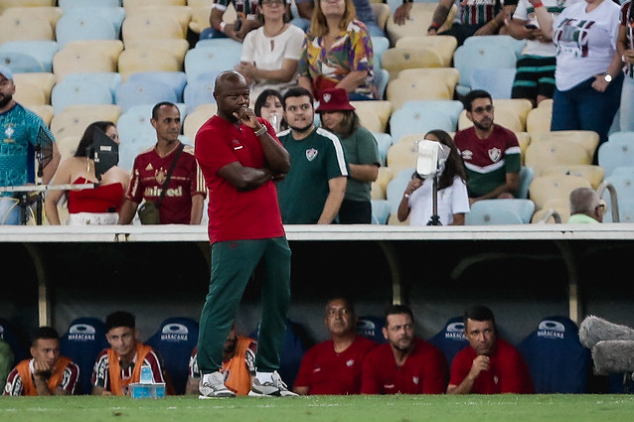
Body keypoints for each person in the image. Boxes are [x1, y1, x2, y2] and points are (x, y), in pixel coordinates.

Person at [194, 70, 295, 398]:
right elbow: (241, 178)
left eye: (244, 95)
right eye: (233, 96)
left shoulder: (260, 126)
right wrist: (270, 172)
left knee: (278, 301)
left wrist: (261, 134)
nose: (241, 101)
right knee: (223, 302)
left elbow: (286, 163)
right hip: (234, 230)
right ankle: (209, 376)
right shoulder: (208, 134)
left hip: (272, 229)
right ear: (217, 97)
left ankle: (266, 375)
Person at [530, 0, 623, 152]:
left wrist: (608, 77)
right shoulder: (573, 9)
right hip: (563, 87)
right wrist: (538, 5)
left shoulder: (614, 12)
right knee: (561, 143)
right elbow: (550, 32)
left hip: (594, 87)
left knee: (592, 144)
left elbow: (621, 47)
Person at [118, 102, 206, 225]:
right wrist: (118, 232)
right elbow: (132, 200)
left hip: (181, 235)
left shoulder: (193, 157)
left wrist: (191, 234)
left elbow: (198, 199)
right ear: (154, 123)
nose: (174, 126)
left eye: (177, 121)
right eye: (167, 121)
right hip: (151, 236)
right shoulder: (142, 159)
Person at [276, 87, 349, 224]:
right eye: (293, 109)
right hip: (281, 231)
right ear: (285, 115)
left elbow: (338, 190)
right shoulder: (276, 142)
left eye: (304, 107)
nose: (299, 113)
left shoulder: (329, 142)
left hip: (317, 233)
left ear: (313, 111)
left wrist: (319, 230)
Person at [0, 66, 60, 225]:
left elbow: (52, 154)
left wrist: (38, 188)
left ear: (13, 88)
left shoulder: (29, 120)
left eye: (3, 83)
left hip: (12, 197)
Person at [45, 121, 129, 225]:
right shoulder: (71, 165)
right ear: (97, 139)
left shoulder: (123, 174)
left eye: (117, 137)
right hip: (77, 234)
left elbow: (128, 212)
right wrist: (58, 234)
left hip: (112, 234)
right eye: (113, 137)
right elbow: (50, 201)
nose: (118, 142)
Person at [317, 88, 379, 224]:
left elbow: (372, 173)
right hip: (326, 203)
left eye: (332, 112)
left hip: (354, 204)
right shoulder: (322, 138)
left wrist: (339, 167)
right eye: (323, 113)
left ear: (345, 112)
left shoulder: (362, 135)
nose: (326, 117)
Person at [293, 297, 377, 395]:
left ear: (355, 318)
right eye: (332, 312)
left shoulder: (370, 350)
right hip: (313, 409)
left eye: (344, 311)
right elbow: (299, 393)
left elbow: (368, 397)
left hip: (350, 409)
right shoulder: (314, 353)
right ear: (326, 321)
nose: (337, 317)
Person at [297, 0, 377, 100]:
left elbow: (360, 74)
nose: (332, 0)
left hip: (354, 96)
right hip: (321, 100)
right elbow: (303, 75)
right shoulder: (311, 34)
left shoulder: (357, 30)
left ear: (346, 4)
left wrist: (329, 98)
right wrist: (309, 101)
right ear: (319, 5)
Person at [361, 304, 447, 394]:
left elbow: (431, 404)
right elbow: (369, 402)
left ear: (414, 328)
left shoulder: (432, 356)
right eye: (397, 328)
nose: (403, 332)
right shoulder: (373, 358)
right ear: (385, 333)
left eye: (408, 326)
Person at [507, 0, 579, 107]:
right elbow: (514, 27)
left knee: (546, 105)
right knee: (520, 105)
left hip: (559, 59)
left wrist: (552, 34)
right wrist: (525, 32)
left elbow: (583, 29)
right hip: (529, 58)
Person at [447, 305, 534, 394]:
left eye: (487, 331)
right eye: (475, 333)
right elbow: (449, 399)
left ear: (494, 331)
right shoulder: (461, 358)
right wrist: (470, 377)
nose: (482, 339)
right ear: (466, 335)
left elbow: (510, 402)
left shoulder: (509, 356)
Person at [454, 90, 521, 205]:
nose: (485, 114)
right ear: (469, 115)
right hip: (469, 196)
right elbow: (458, 176)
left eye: (489, 109)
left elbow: (512, 184)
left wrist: (478, 201)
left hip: (498, 196)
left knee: (506, 198)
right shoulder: (460, 138)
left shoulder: (508, 137)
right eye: (479, 110)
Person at [235, 0, 305, 102]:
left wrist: (255, 72)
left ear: (285, 8)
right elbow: (247, 74)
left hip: (288, 93)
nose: (273, 5)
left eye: (278, 2)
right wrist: (243, 76)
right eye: (268, 2)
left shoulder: (296, 34)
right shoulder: (251, 37)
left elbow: (286, 74)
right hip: (258, 94)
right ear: (260, 9)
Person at [397, 130, 470, 226]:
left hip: (440, 238)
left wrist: (438, 234)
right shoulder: (417, 179)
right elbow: (401, 217)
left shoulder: (456, 182)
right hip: (416, 237)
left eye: (433, 144)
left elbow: (459, 221)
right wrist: (407, 193)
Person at [92, 311, 167, 396]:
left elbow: (161, 396)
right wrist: (103, 396)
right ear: (108, 339)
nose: (121, 343)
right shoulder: (105, 358)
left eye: (125, 336)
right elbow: (96, 393)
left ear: (136, 334)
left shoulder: (150, 357)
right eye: (114, 337)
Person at [394, 0, 508, 47]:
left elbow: (508, 10)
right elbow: (444, 5)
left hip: (493, 28)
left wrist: (491, 26)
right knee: (437, 45)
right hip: (465, 29)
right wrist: (433, 28)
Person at [3, 327, 79, 396]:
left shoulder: (69, 368)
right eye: (47, 350)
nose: (52, 356)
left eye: (56, 350)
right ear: (33, 352)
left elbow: (57, 406)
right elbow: (9, 406)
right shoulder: (19, 373)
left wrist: (39, 379)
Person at [185, 324, 257, 396]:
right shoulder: (202, 352)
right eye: (221, 330)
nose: (227, 335)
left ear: (235, 329)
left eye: (230, 329)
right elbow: (192, 390)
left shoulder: (250, 348)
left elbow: (256, 391)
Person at [294, 0, 385, 38]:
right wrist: (327, 25)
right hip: (321, 21)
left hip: (361, 21)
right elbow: (304, 9)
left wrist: (336, 28)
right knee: (297, 24)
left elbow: (349, 9)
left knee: (373, 43)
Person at [617, 0, 634, 132]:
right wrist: (624, 56)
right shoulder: (627, 7)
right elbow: (620, 40)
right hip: (631, 78)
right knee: (626, 130)